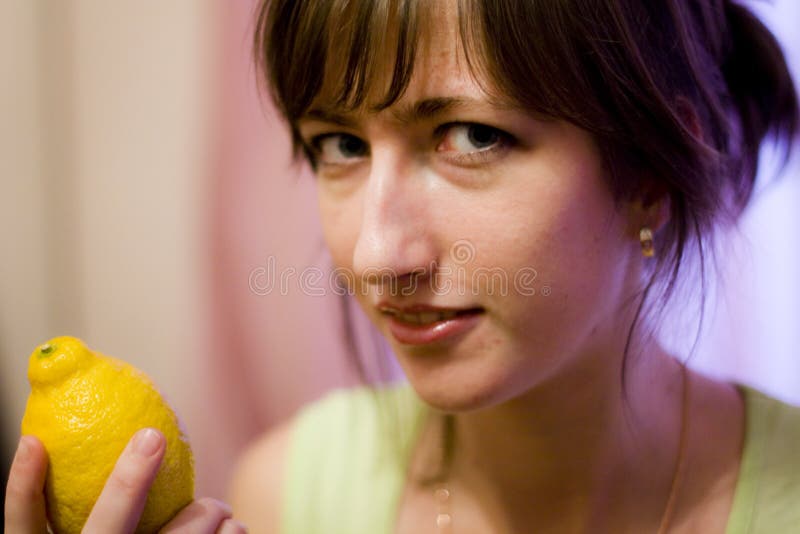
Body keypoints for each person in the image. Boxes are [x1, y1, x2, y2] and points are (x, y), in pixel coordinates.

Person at [5, 0, 799, 533]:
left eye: (471, 136)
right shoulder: (286, 495)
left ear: (653, 173)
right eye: (339, 146)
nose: (377, 256)